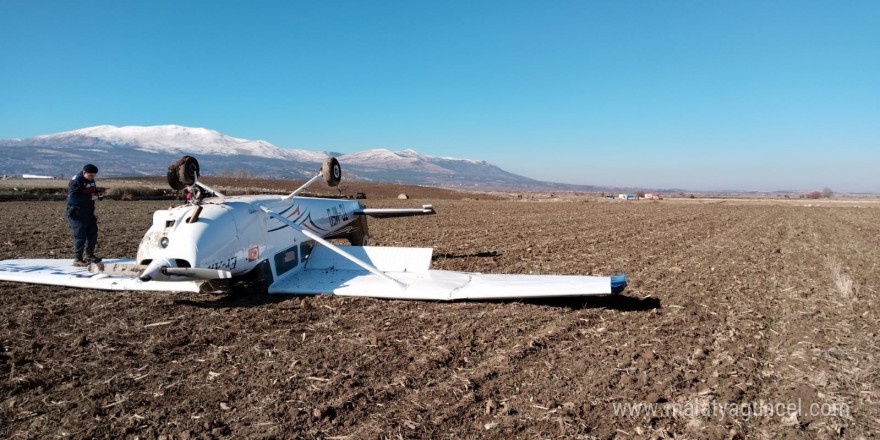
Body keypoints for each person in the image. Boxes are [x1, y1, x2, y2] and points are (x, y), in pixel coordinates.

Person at [67, 164, 102, 266]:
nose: (92, 177)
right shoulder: (76, 181)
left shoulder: (90, 181)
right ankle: (78, 258)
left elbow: (92, 191)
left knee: (93, 233)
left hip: (89, 212)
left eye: (94, 175)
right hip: (77, 212)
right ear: (84, 172)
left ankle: (89, 254)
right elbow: (73, 196)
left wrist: (98, 194)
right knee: (80, 235)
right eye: (90, 175)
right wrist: (89, 198)